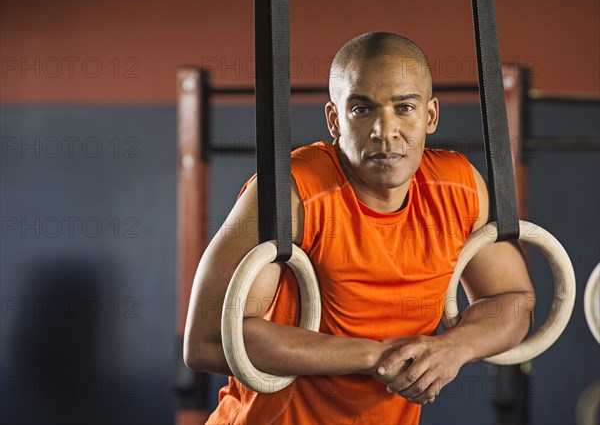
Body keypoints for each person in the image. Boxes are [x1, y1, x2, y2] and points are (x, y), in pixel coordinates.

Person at [183, 31, 535, 424]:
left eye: (404, 107)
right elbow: (207, 341)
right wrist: (376, 356)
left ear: (430, 115)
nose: (385, 131)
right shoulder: (293, 194)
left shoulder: (458, 187)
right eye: (362, 110)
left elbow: (512, 300)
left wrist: (453, 347)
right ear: (335, 119)